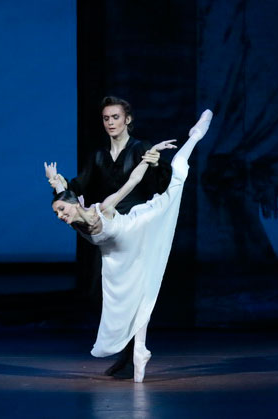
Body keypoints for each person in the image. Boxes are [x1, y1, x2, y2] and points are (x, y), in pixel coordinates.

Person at [45, 109, 213, 383]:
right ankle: (138, 350)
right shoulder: (78, 221)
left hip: (140, 226)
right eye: (58, 214)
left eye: (62, 210)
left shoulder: (102, 207)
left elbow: (132, 181)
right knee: (131, 298)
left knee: (177, 177)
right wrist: (56, 185)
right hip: (117, 257)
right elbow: (67, 197)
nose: (60, 216)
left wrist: (151, 155)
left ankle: (194, 137)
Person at [53, 96, 172, 378]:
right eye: (106, 118)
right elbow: (78, 185)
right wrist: (58, 184)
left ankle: (132, 353)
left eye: (116, 117)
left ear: (127, 119)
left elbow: (158, 185)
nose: (111, 123)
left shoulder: (141, 148)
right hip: (110, 226)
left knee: (137, 289)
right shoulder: (98, 155)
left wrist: (156, 165)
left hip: (137, 225)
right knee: (101, 290)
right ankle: (126, 349)